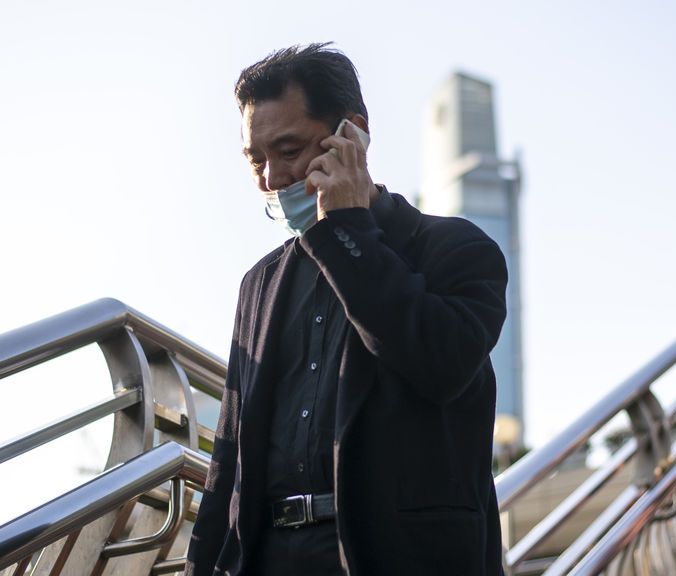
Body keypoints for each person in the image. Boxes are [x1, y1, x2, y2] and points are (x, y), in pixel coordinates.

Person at [185, 44, 508, 576]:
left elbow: (441, 362)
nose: (271, 178)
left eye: (287, 150)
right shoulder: (258, 284)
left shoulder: (458, 249)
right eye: (255, 160)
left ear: (351, 132)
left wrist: (348, 230)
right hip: (271, 558)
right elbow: (230, 454)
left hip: (398, 557)